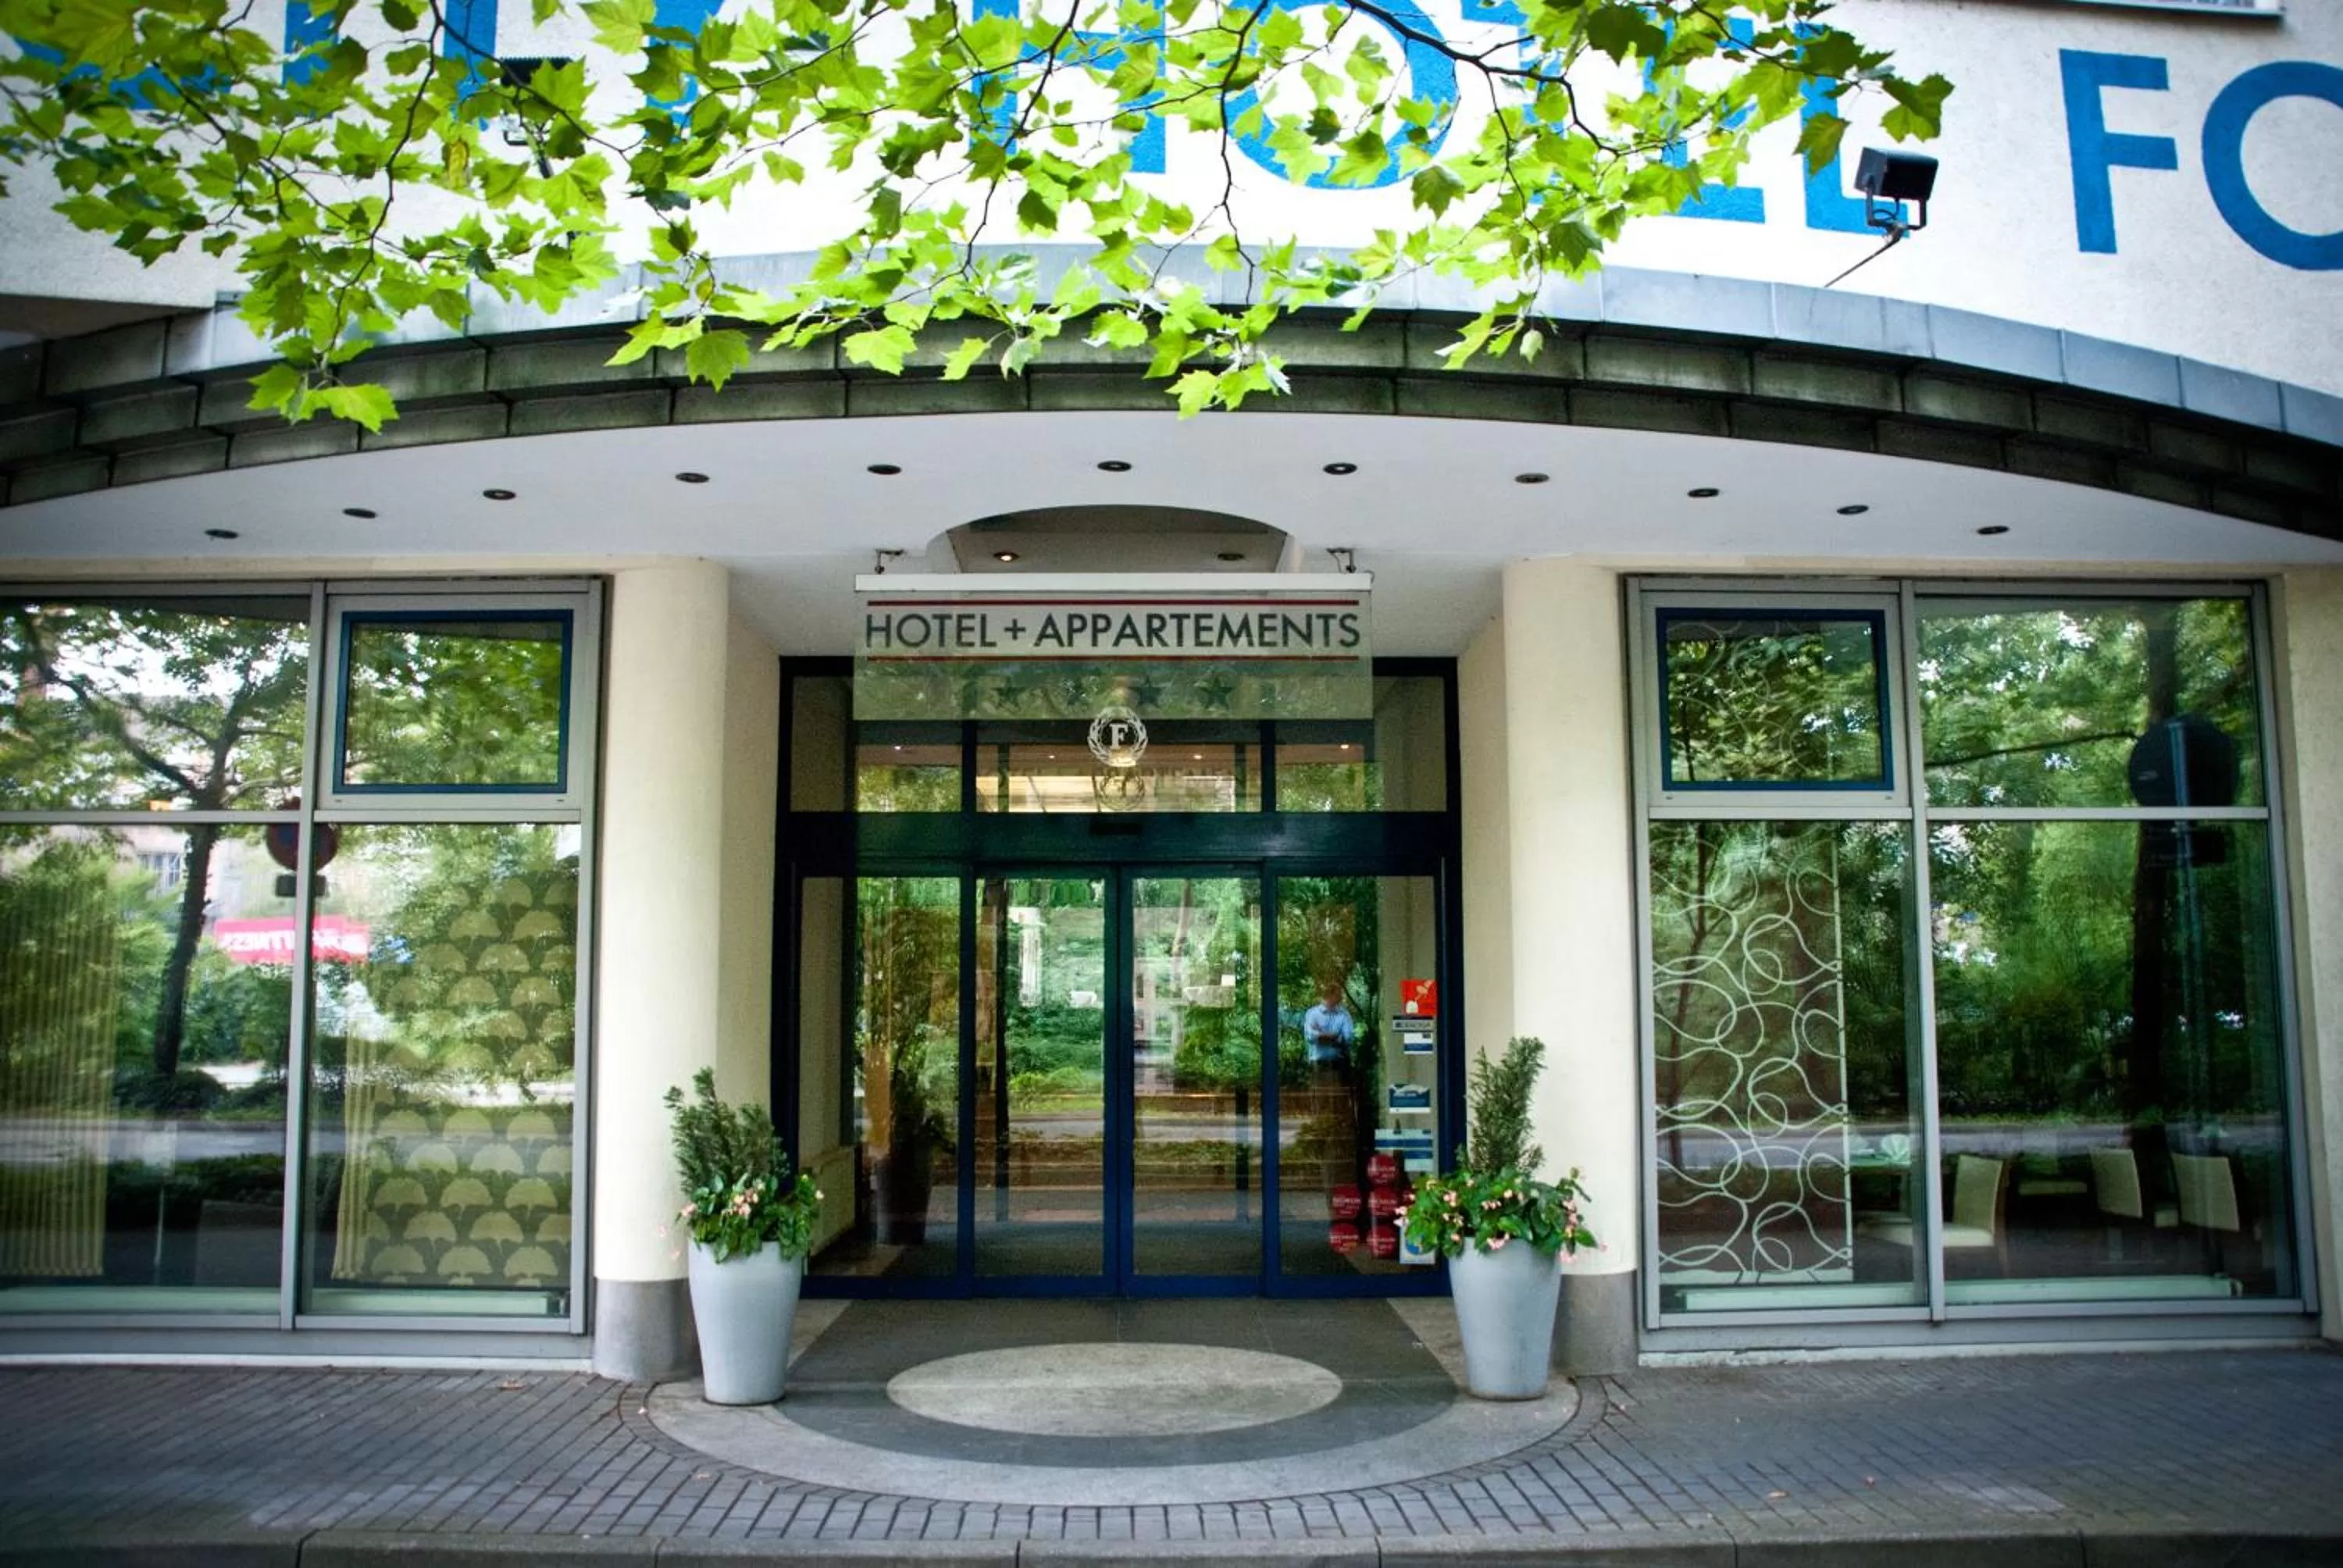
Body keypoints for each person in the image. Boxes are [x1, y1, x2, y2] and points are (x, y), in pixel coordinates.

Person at [1302, 982, 1356, 1067]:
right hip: (1317, 1064)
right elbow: (1310, 1037)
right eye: (1338, 995)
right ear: (1329, 994)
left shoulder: (1344, 1015)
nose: (1341, 998)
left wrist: (1321, 1035)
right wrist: (1334, 1036)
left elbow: (1348, 1039)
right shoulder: (1313, 1013)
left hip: (1339, 1063)